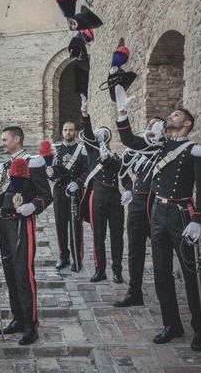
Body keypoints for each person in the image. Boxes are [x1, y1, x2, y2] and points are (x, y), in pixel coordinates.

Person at [115, 86, 201, 351]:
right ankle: (171, 324)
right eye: (170, 115)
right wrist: (122, 112)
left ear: (188, 122)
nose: (171, 117)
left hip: (182, 214)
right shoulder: (160, 146)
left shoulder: (196, 150)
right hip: (158, 213)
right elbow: (131, 142)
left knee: (190, 274)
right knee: (161, 272)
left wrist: (198, 220)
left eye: (176, 114)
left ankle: (198, 329)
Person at [0, 126, 53, 346]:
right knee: (10, 274)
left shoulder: (34, 162)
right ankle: (18, 318)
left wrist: (33, 206)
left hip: (22, 222)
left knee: (24, 275)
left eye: (5, 139)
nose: (2, 142)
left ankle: (31, 326)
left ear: (17, 139)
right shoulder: (2, 167)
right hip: (5, 225)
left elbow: (46, 195)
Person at [79, 95, 133, 283]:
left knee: (117, 235)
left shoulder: (115, 156)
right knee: (98, 235)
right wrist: (85, 114)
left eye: (105, 133)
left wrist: (128, 189)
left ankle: (117, 270)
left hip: (114, 198)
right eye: (99, 132)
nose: (102, 134)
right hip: (97, 196)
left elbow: (123, 173)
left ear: (109, 138)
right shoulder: (93, 151)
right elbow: (86, 132)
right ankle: (99, 269)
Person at [113, 115, 165, 308]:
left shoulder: (164, 147)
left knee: (161, 249)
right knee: (135, 249)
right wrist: (127, 188)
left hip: (155, 202)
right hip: (137, 201)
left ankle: (165, 296)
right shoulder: (138, 149)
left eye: (155, 124)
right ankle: (134, 292)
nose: (150, 127)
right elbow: (123, 171)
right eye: (149, 124)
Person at [49, 121, 88, 272]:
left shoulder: (81, 150)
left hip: (74, 192)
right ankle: (63, 256)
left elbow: (86, 171)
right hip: (59, 191)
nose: (68, 132)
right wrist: (50, 175)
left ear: (75, 131)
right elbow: (51, 170)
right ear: (62, 131)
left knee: (75, 226)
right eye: (65, 130)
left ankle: (77, 259)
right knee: (60, 226)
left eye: (71, 130)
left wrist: (78, 183)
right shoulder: (56, 150)